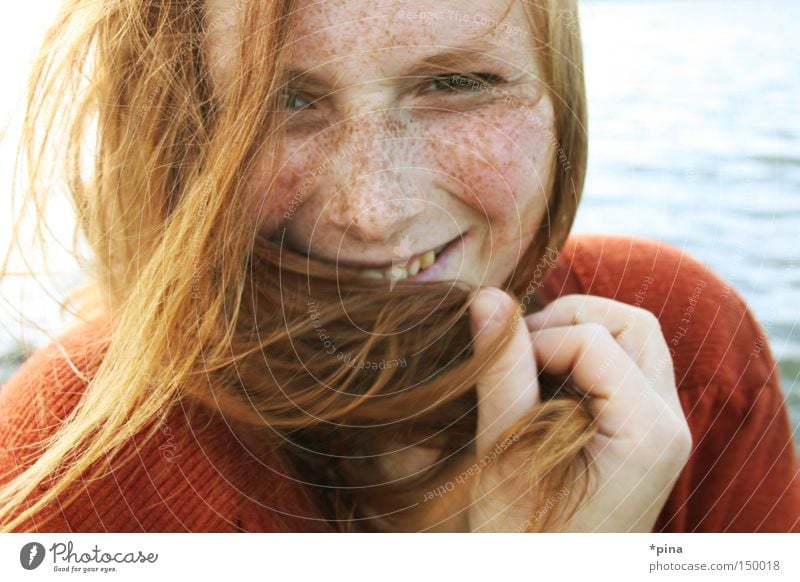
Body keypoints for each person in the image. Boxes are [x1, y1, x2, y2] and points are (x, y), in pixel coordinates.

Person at [1, 0, 797, 533]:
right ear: (179, 136)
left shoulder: (691, 354)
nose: (372, 208)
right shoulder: (71, 468)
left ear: (560, 98)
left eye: (457, 84)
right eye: (281, 100)